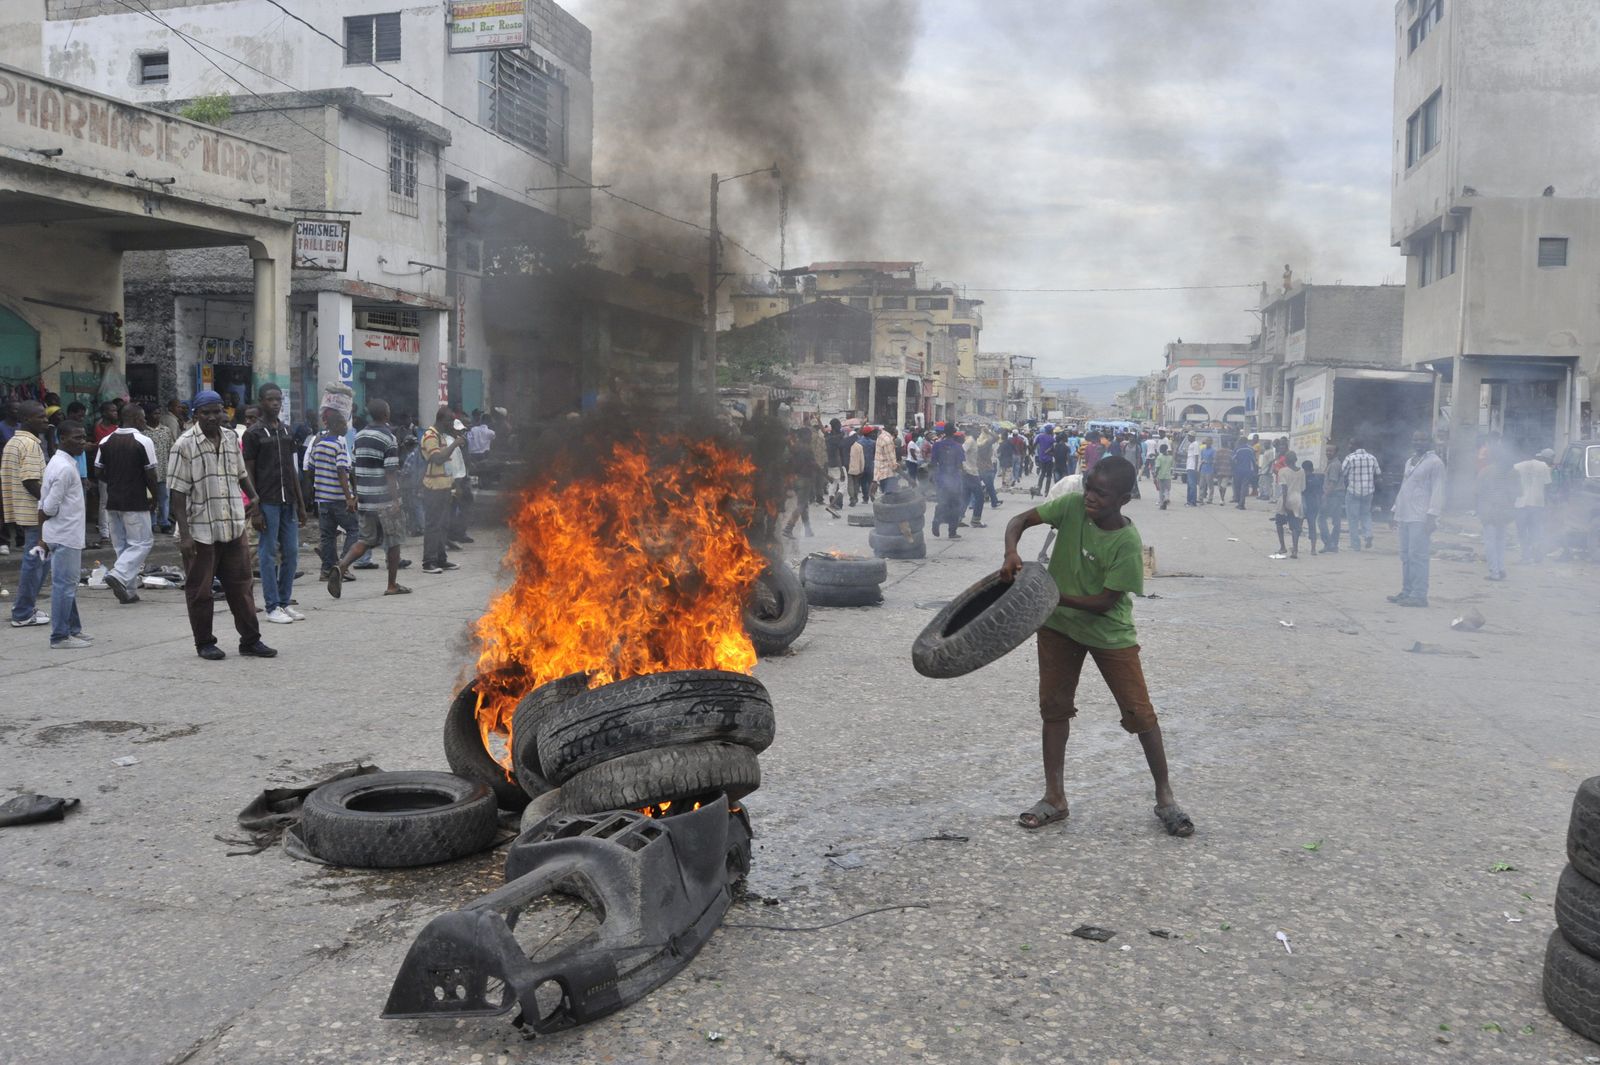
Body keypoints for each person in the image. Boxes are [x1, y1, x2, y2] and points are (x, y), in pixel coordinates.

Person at [1000, 456, 1193, 837]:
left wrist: (1050, 595)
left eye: (1100, 493)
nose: (1089, 497)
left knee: (1140, 713)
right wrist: (1011, 551)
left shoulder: (1126, 540)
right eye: (1088, 487)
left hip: (1108, 633)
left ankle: (1166, 798)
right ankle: (1054, 797)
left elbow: (1105, 602)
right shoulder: (1071, 507)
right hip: (1058, 628)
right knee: (1054, 709)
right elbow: (1018, 521)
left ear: (1123, 498)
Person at [167, 390, 275, 660]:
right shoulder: (184, 445)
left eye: (217, 411)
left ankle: (251, 640)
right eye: (207, 413)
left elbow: (240, 474)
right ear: (196, 415)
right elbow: (176, 493)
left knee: (242, 587)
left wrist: (255, 497)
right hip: (200, 530)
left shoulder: (230, 438)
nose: (213, 417)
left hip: (232, 524)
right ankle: (204, 642)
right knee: (201, 591)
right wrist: (185, 535)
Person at [330, 398, 410, 596]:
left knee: (366, 539)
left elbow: (355, 468)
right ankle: (392, 585)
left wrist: (357, 495)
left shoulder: (359, 435)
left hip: (366, 498)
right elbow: (390, 472)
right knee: (393, 541)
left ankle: (341, 566)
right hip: (384, 499)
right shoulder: (388, 438)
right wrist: (395, 500)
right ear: (386, 414)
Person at [240, 383, 306, 625]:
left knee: (291, 552)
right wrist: (254, 506)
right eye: (270, 399)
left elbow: (292, 469)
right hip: (266, 501)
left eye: (279, 399)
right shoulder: (253, 434)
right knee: (267, 554)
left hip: (288, 499)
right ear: (261, 401)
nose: (276, 403)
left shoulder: (286, 431)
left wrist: (300, 504)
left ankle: (284, 601)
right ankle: (271, 606)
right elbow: (248, 471)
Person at [93, 402, 158, 604]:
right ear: (137, 419)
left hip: (113, 500)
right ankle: (119, 574)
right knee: (142, 543)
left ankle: (128, 591)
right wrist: (155, 497)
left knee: (123, 546)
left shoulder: (105, 440)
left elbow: (98, 471)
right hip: (135, 500)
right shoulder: (143, 440)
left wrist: (115, 481)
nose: (145, 421)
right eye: (144, 418)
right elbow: (151, 474)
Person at [37, 421, 92, 649]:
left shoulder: (61, 462)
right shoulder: (65, 468)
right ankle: (60, 636)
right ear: (62, 439)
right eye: (76, 438)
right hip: (65, 534)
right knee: (64, 586)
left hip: (62, 533)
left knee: (67, 584)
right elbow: (49, 506)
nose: (82, 442)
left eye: (83, 437)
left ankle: (73, 629)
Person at [3, 401, 51, 629]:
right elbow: (31, 481)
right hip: (35, 513)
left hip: (24, 511)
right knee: (35, 562)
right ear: (27, 419)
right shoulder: (30, 445)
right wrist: (49, 505)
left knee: (40, 560)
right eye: (40, 417)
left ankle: (27, 607)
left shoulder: (14, 441)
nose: (46, 420)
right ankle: (22, 612)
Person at [1387, 431, 1446, 608]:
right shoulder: (1410, 461)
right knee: (1405, 556)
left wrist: (1432, 516)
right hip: (1404, 514)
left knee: (1417, 556)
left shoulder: (1435, 463)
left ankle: (1419, 595)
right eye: (1415, 439)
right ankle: (1407, 591)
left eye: (1422, 439)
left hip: (1421, 516)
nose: (1418, 442)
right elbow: (1405, 487)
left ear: (1430, 442)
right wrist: (1395, 510)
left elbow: (1438, 490)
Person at [305, 406, 358, 584]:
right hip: (338, 498)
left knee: (327, 535)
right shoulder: (339, 445)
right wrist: (349, 497)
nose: (346, 426)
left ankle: (326, 570)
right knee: (354, 530)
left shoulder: (318, 445)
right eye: (343, 423)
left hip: (323, 499)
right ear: (336, 425)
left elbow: (310, 469)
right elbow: (342, 472)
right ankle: (342, 564)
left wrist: (318, 487)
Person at [418, 406, 463, 574]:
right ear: (441, 420)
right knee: (433, 525)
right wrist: (455, 444)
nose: (452, 423)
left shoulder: (441, 436)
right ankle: (428, 561)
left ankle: (441, 559)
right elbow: (437, 459)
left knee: (443, 525)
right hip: (433, 488)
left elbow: (448, 464)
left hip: (444, 486)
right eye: (450, 420)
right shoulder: (430, 436)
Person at [1476, 451, 1518, 581]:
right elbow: (1518, 493)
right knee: (1500, 541)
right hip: (1505, 512)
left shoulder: (1485, 472)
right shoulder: (1514, 473)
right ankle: (1500, 568)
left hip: (1489, 511)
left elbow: (1477, 491)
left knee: (1490, 542)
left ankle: (1494, 572)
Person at [1512, 447, 1554, 564]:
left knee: (1522, 532)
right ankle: (1537, 555)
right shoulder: (1544, 466)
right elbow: (1548, 486)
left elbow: (1512, 486)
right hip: (1537, 504)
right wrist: (1549, 503)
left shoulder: (1516, 466)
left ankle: (1526, 556)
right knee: (1535, 530)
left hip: (1520, 504)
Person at [1341, 440, 1381, 551]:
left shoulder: (1350, 458)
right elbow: (1378, 474)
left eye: (1350, 444)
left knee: (1352, 518)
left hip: (1353, 491)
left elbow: (1342, 473)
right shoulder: (1372, 458)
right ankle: (1368, 534)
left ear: (1355, 446)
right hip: (1368, 492)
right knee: (1366, 514)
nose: (1349, 445)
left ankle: (1355, 544)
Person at [143, 403, 176, 534]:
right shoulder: (143, 432)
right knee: (150, 498)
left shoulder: (166, 430)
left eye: (159, 413)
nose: (157, 416)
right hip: (148, 472)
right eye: (154, 413)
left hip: (164, 470)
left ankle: (164, 522)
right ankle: (152, 522)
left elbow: (171, 449)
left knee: (164, 498)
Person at [929, 426, 966, 539]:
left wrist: (932, 477)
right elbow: (960, 465)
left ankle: (936, 520)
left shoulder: (937, 445)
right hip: (954, 479)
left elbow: (933, 463)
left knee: (942, 502)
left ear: (944, 433)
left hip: (941, 478)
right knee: (955, 505)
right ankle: (952, 532)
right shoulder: (958, 447)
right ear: (954, 433)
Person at [782, 427, 815, 539]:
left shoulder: (794, 447)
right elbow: (813, 464)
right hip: (804, 479)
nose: (811, 437)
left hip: (795, 479)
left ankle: (808, 529)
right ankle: (788, 528)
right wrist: (827, 476)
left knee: (804, 504)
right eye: (809, 435)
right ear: (804, 436)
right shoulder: (807, 449)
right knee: (801, 505)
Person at [1273, 451, 1305, 559]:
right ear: (1296, 460)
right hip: (1297, 499)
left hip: (1286, 499)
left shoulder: (1282, 471)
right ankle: (1295, 550)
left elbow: (1284, 488)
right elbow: (1303, 487)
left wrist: (1285, 503)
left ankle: (1283, 546)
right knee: (1295, 526)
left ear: (1285, 460)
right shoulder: (1302, 471)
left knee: (1279, 523)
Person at [1319, 442, 1345, 552]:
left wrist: (1325, 495)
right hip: (1337, 495)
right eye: (1327, 450)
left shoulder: (1334, 465)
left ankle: (1329, 543)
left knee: (1321, 519)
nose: (1328, 453)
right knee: (1336, 521)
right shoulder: (1333, 463)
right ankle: (1333, 545)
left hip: (1333, 495)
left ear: (1336, 452)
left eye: (1330, 451)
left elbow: (1332, 483)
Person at [1301, 460, 1323, 555]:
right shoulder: (1317, 479)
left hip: (1303, 504)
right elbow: (1319, 493)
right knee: (1312, 526)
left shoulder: (1302, 478)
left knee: (1298, 526)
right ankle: (1313, 549)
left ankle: (1295, 547)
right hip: (1313, 505)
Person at [1231, 437, 1256, 510]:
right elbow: (1254, 461)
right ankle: (1242, 503)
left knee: (1238, 486)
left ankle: (1239, 502)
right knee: (1244, 486)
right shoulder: (1251, 449)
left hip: (1238, 470)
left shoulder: (1237, 449)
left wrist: (1233, 468)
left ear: (1240, 441)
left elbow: (1232, 459)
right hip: (1248, 470)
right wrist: (1254, 471)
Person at [1034, 424, 1056, 495]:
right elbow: (1053, 448)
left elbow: (1034, 444)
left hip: (1041, 458)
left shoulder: (1040, 437)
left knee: (1042, 474)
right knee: (1049, 475)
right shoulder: (1052, 439)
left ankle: (1038, 490)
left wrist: (1033, 452)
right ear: (1050, 430)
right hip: (1049, 459)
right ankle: (1046, 492)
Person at [1152, 443, 1174, 510]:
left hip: (1161, 476)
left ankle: (1162, 505)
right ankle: (1166, 499)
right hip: (1168, 476)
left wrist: (1155, 474)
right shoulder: (1170, 457)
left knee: (1161, 491)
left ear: (1161, 450)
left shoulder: (1159, 457)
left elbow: (1158, 467)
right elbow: (1171, 467)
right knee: (1167, 490)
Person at [1198, 437, 1216, 503]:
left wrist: (1209, 462)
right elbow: (1201, 458)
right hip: (1203, 469)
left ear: (1211, 443)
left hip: (1209, 470)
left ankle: (1210, 499)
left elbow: (1214, 460)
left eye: (1209, 441)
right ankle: (1200, 498)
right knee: (1201, 485)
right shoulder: (1203, 450)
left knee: (1210, 485)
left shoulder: (1213, 450)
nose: (1207, 442)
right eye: (1207, 441)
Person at [1183, 434, 1200, 506]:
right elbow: (1190, 455)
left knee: (1192, 485)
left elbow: (1196, 456)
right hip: (1189, 466)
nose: (1188, 438)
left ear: (1193, 437)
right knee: (1189, 485)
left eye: (1189, 436)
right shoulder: (1191, 444)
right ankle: (1189, 501)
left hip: (1192, 467)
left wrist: (1196, 467)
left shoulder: (1195, 444)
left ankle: (1193, 502)